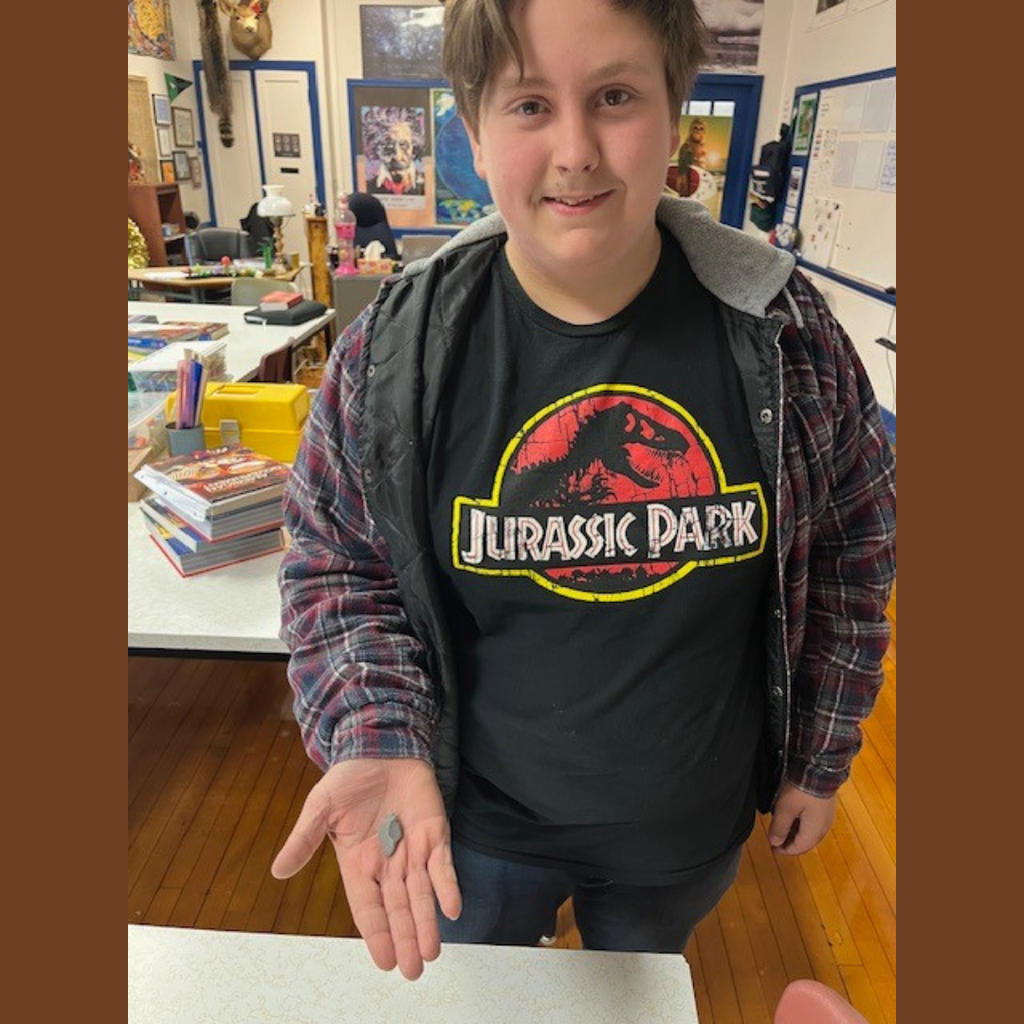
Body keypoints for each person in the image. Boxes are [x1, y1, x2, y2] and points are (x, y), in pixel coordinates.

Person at [271, 0, 896, 983]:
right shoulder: (396, 352)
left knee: (632, 993)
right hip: (470, 821)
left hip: (684, 824)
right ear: (472, 133)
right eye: (527, 104)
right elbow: (335, 560)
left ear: (674, 108)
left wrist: (818, 754)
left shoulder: (789, 336)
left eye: (614, 96)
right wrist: (373, 730)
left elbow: (858, 545)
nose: (575, 149)